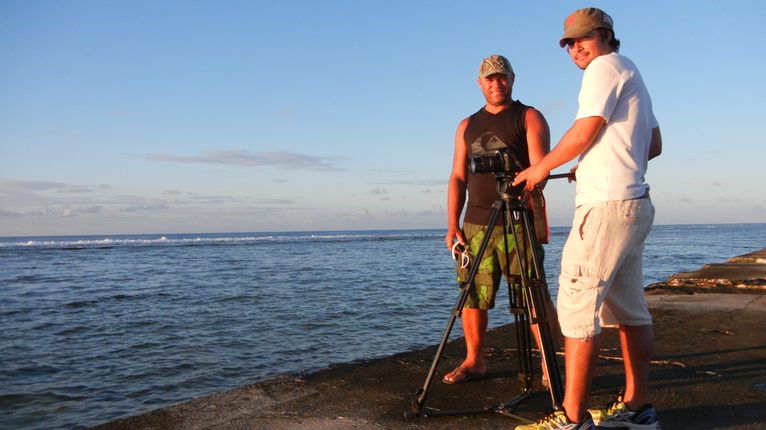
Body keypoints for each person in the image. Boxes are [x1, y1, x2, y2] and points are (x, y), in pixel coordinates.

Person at [513, 8, 663, 430]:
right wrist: (594, 159)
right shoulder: (631, 72)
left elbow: (584, 129)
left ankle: (572, 418)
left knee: (578, 310)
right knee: (630, 310)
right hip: (634, 203)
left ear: (606, 35)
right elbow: (652, 144)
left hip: (605, 207)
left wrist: (539, 169)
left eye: (584, 38)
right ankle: (638, 410)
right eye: (569, 42)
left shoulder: (603, 68)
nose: (576, 47)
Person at [444, 54, 558, 386]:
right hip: (476, 224)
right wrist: (453, 223)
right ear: (480, 83)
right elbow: (457, 177)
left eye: (502, 77)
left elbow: (541, 168)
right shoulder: (466, 125)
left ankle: (549, 365)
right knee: (472, 294)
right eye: (489, 79)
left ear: (512, 78)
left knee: (533, 293)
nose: (497, 83)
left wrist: (527, 191)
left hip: (519, 221)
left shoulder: (529, 116)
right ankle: (474, 360)